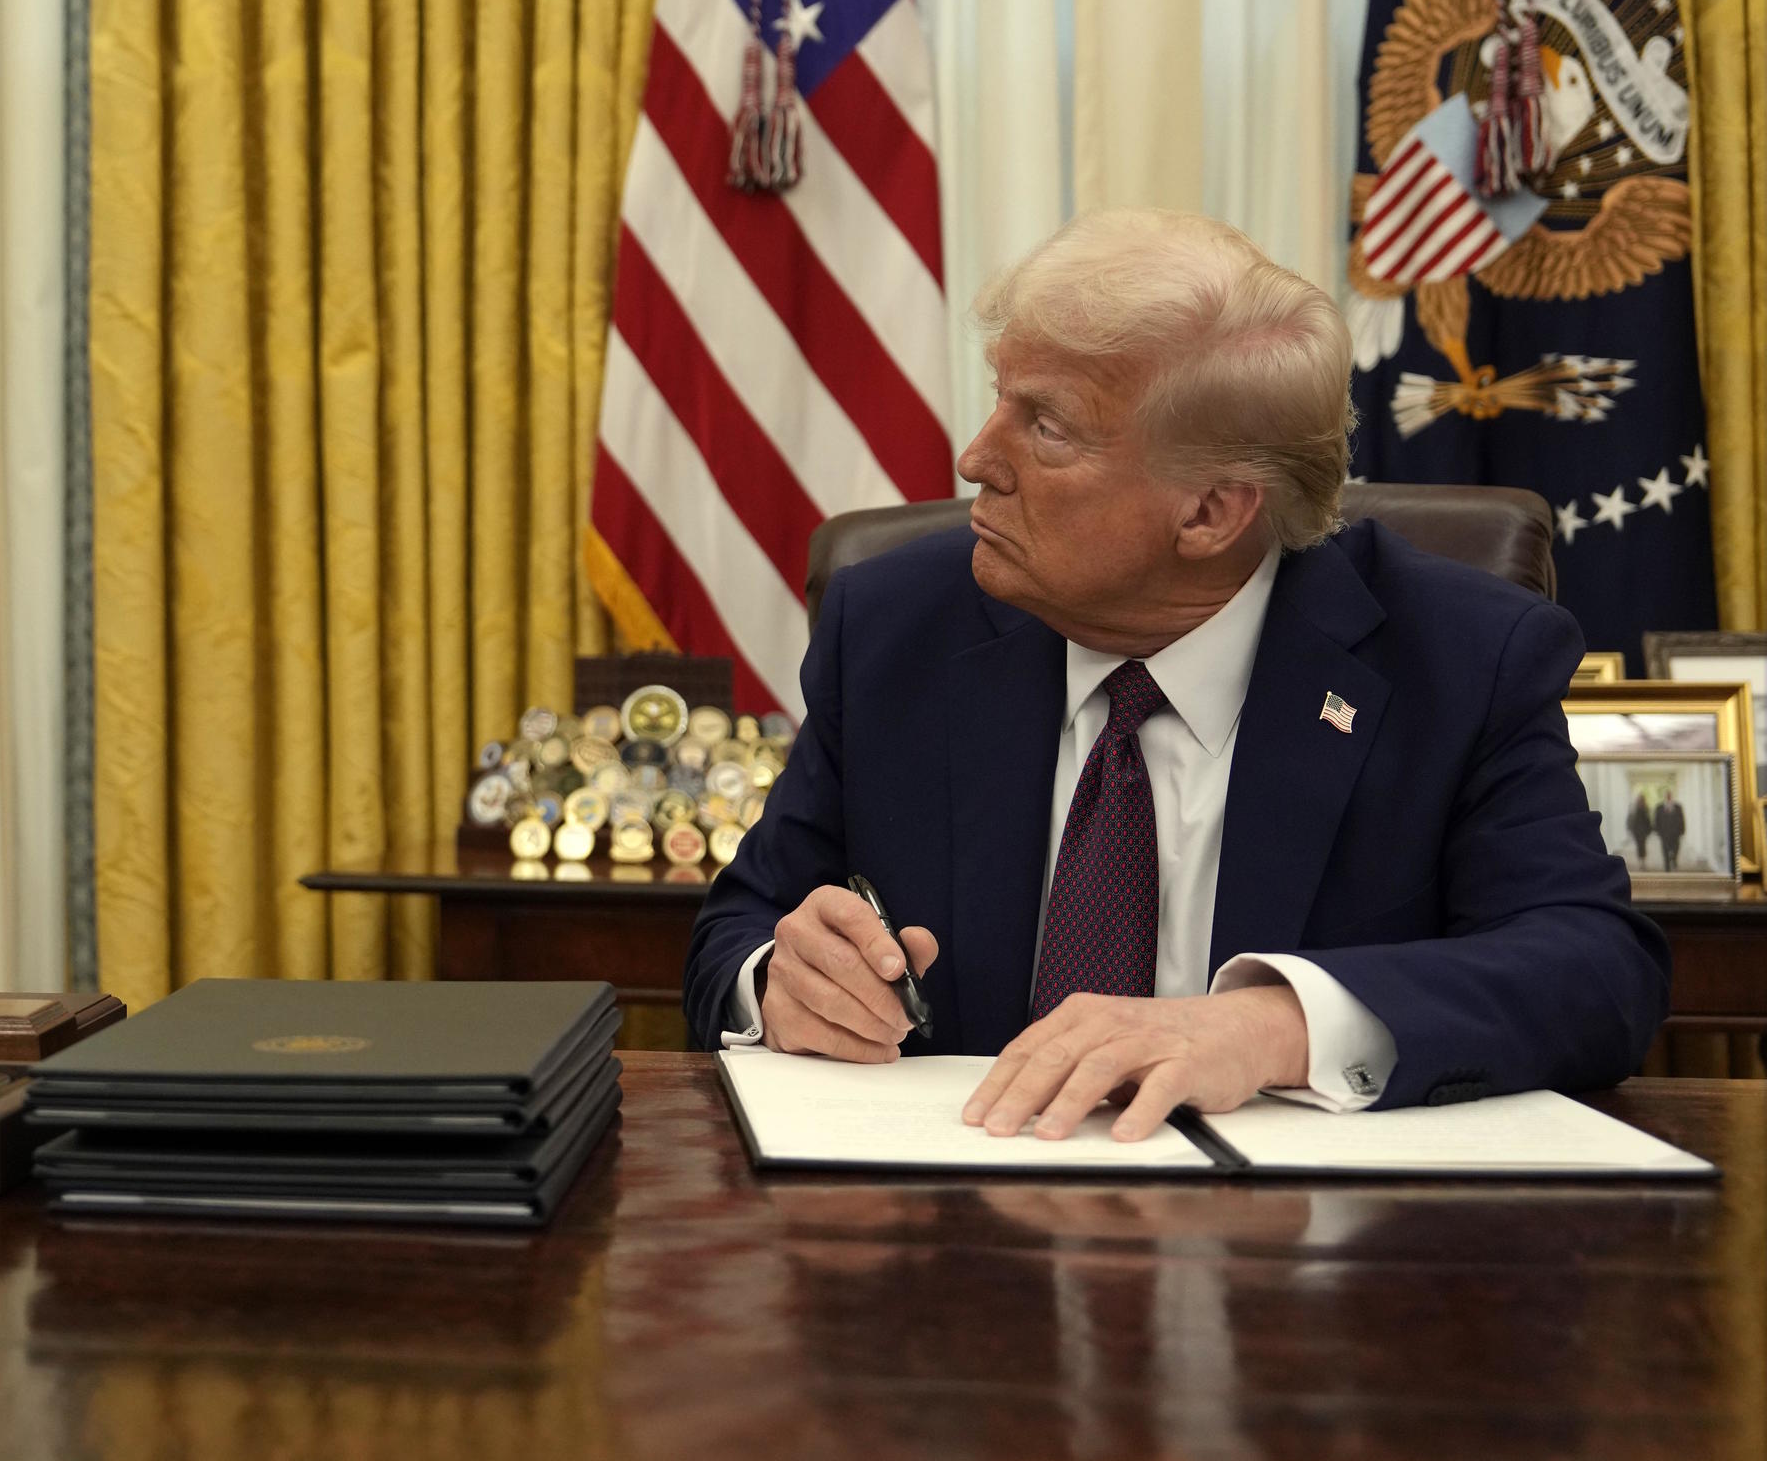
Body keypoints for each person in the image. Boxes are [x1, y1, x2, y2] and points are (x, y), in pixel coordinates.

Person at [684, 209, 1667, 1141]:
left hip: (1313, 1266)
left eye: (1046, 426)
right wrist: (779, 981)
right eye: (998, 397)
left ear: (1211, 513)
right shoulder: (898, 628)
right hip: (959, 1245)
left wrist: (1270, 1026)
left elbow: (1595, 972)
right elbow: (737, 927)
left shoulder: (1456, 658)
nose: (977, 456)